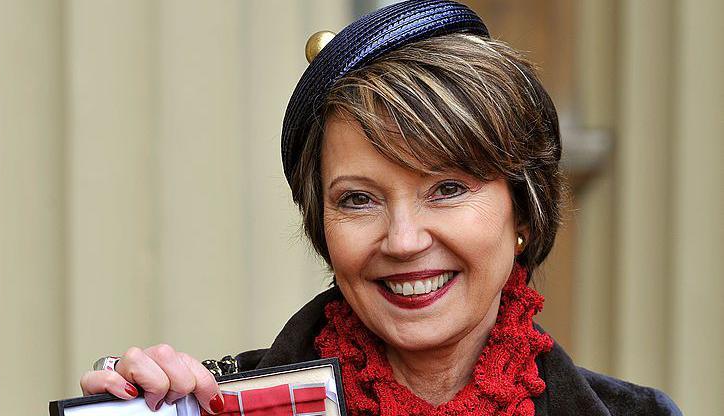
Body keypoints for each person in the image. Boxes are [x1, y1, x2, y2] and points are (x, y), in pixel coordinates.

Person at [79, 1, 682, 415]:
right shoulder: (218, 406)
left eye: (447, 188)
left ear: (523, 212)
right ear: (321, 226)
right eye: (358, 200)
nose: (403, 239)